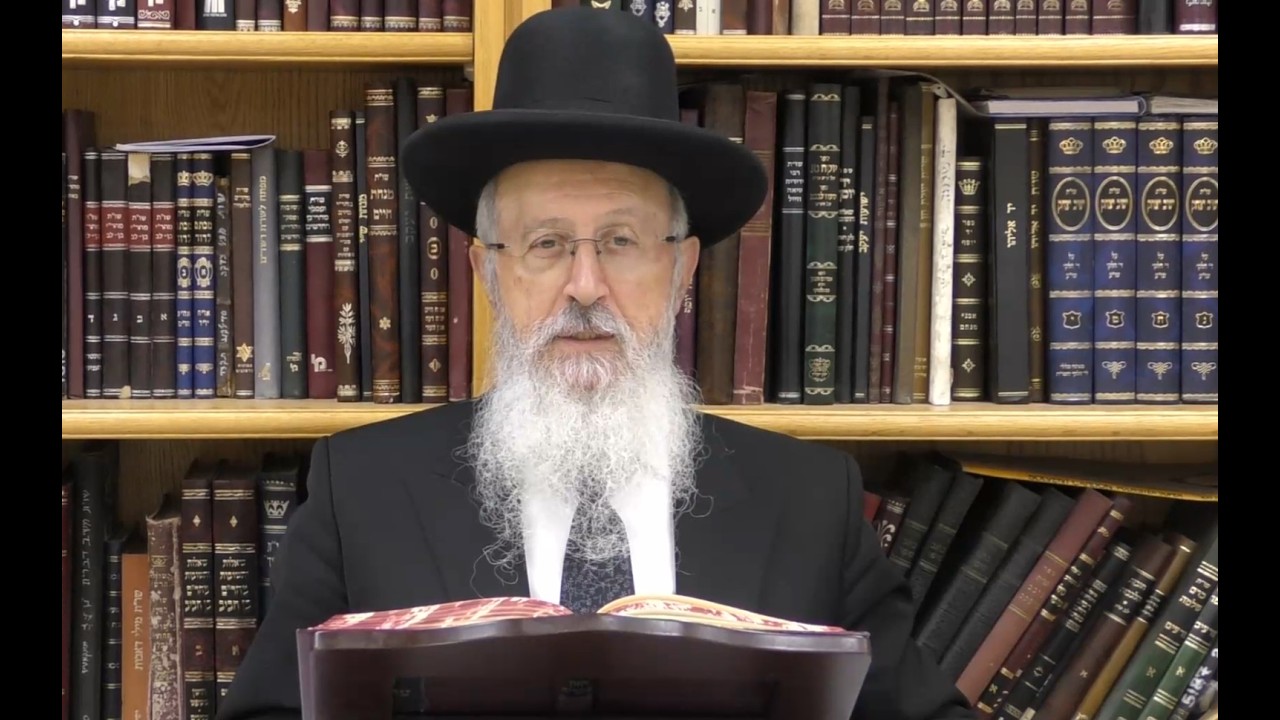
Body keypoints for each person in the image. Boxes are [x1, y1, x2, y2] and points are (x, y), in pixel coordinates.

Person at [216, 6, 975, 720]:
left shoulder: (810, 501)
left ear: (682, 270)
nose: (585, 286)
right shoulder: (362, 490)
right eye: (546, 244)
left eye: (621, 241)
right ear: (488, 271)